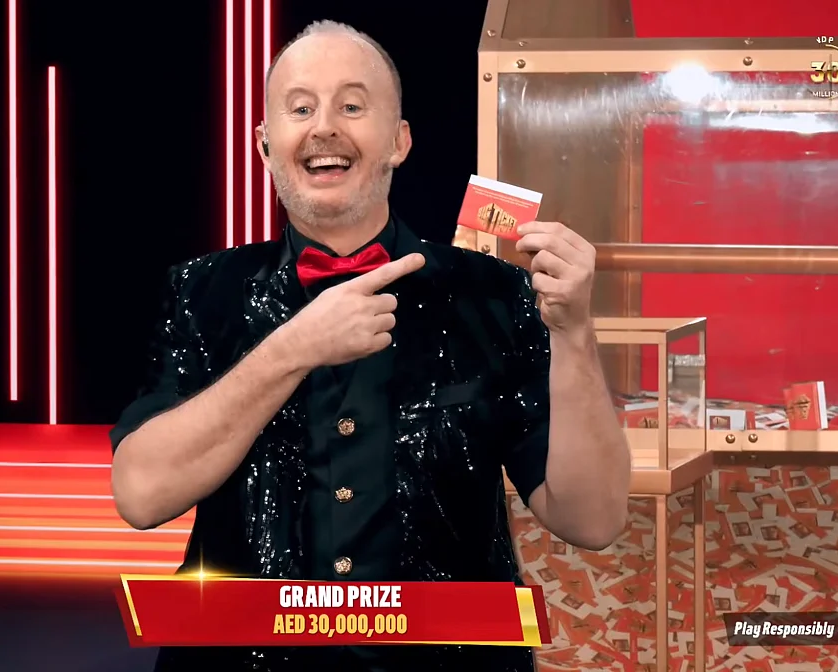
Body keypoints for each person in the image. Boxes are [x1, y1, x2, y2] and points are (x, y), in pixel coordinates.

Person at [110, 20, 631, 672]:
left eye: (352, 106)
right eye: (301, 109)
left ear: (399, 141)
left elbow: (593, 520)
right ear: (266, 146)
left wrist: (576, 334)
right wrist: (291, 348)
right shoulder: (200, 291)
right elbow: (141, 495)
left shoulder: (496, 294)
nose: (324, 127)